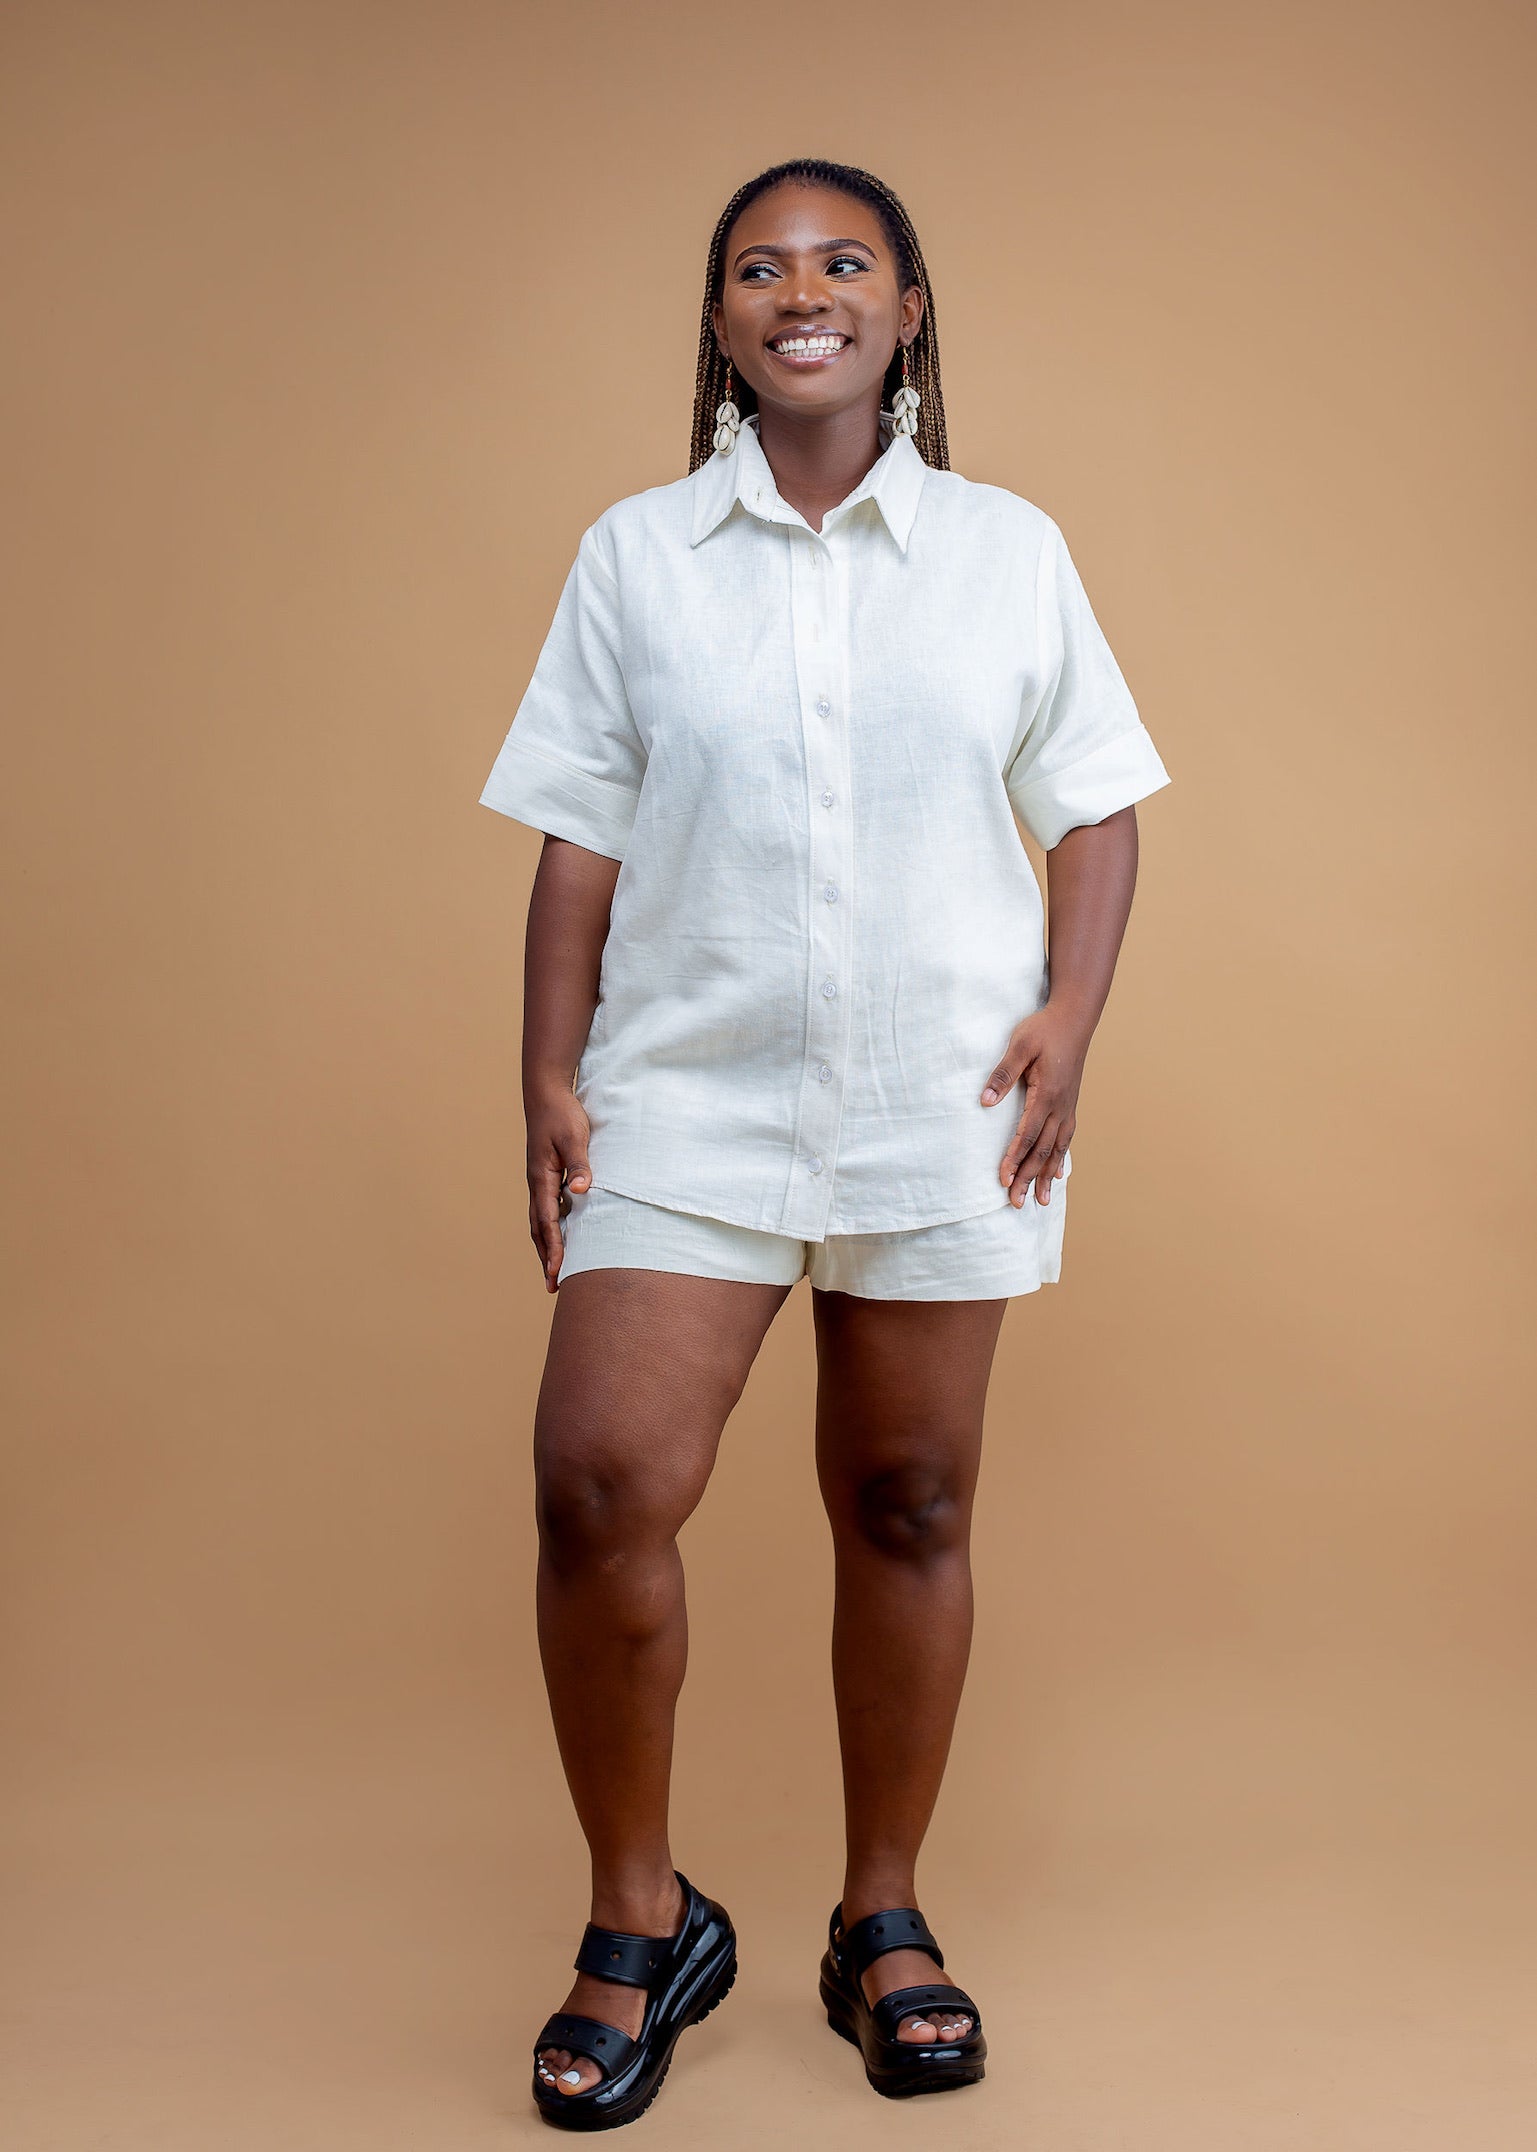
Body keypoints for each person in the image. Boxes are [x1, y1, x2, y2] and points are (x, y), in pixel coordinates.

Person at [479, 156, 1172, 2130]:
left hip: (934, 1089)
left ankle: (883, 1916)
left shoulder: (1004, 551)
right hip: (681, 1089)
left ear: (907, 309)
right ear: (717, 322)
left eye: (844, 260)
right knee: (602, 1479)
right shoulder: (636, 556)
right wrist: (546, 1071)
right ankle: (641, 1915)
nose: (804, 288)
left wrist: (1066, 1020)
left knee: (908, 1502)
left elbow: (1098, 804)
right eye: (760, 267)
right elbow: (578, 830)